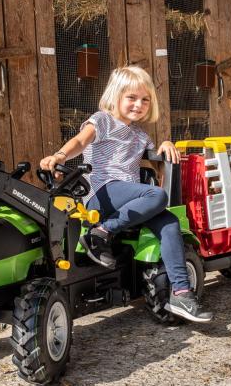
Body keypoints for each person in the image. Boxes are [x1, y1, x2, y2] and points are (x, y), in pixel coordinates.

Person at [40, 66, 212, 323]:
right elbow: (80, 141)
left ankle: (182, 293)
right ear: (116, 95)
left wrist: (164, 145)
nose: (138, 104)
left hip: (129, 201)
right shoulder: (102, 120)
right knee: (157, 196)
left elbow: (159, 166)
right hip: (102, 193)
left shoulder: (141, 136)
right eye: (131, 97)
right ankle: (101, 232)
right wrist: (60, 156)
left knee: (169, 223)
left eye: (145, 100)